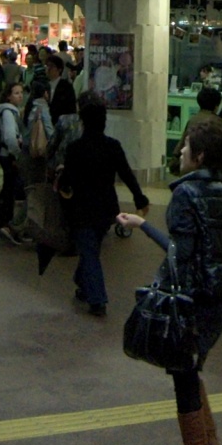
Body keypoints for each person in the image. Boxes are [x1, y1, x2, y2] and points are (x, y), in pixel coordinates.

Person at [115, 114, 222, 445]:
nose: (180, 153)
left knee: (183, 375)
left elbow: (180, 255)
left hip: (191, 300)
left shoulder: (185, 195)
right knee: (191, 366)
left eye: (187, 147)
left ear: (200, 156)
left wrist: (147, 234)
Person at [61, 92, 150, 316]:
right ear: (104, 122)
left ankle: (97, 299)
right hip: (107, 209)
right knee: (91, 248)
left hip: (81, 208)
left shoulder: (75, 149)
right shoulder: (113, 146)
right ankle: (82, 281)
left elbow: (66, 181)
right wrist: (140, 198)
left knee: (89, 251)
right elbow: (127, 174)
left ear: (83, 122)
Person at [0, 83, 32, 243]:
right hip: (9, 155)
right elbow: (9, 137)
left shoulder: (7, 111)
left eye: (21, 93)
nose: (20, 96)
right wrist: (17, 154)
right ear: (8, 96)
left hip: (5, 154)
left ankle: (1, 221)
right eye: (16, 93)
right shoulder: (8, 112)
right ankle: (4, 222)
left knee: (8, 188)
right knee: (10, 188)